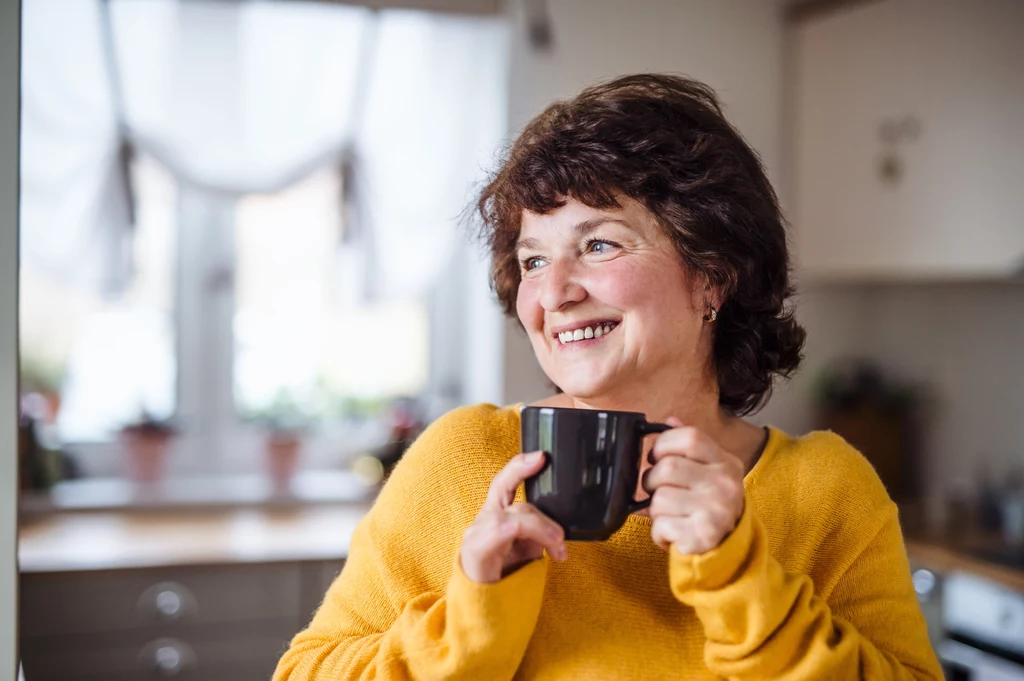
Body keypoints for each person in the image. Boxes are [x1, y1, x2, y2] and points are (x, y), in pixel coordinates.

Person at [273, 74, 942, 680]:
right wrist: (468, 617)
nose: (554, 291)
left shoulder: (826, 489)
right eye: (533, 259)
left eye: (599, 244)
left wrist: (741, 576)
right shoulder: (462, 460)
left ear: (712, 274)